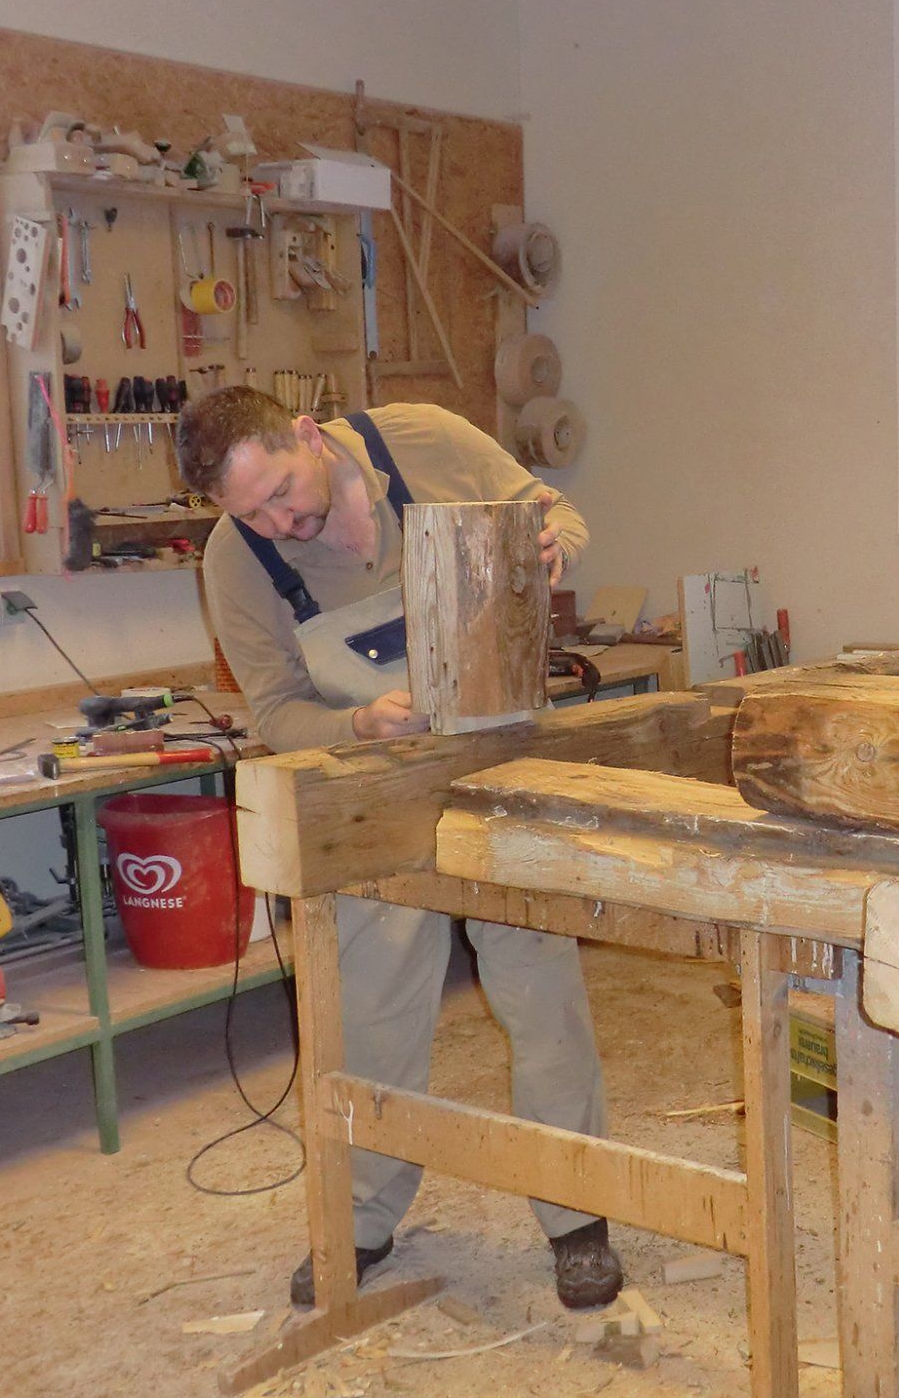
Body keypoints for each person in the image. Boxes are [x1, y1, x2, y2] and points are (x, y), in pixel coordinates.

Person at [177, 388, 622, 1312]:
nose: (278, 522)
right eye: (251, 512)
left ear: (306, 434)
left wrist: (556, 544)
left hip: (501, 757)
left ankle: (578, 1215)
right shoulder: (236, 560)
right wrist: (355, 723)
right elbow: (276, 712)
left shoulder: (424, 439)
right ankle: (363, 1219)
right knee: (370, 1009)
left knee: (541, 992)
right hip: (376, 788)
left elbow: (557, 510)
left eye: (281, 492)